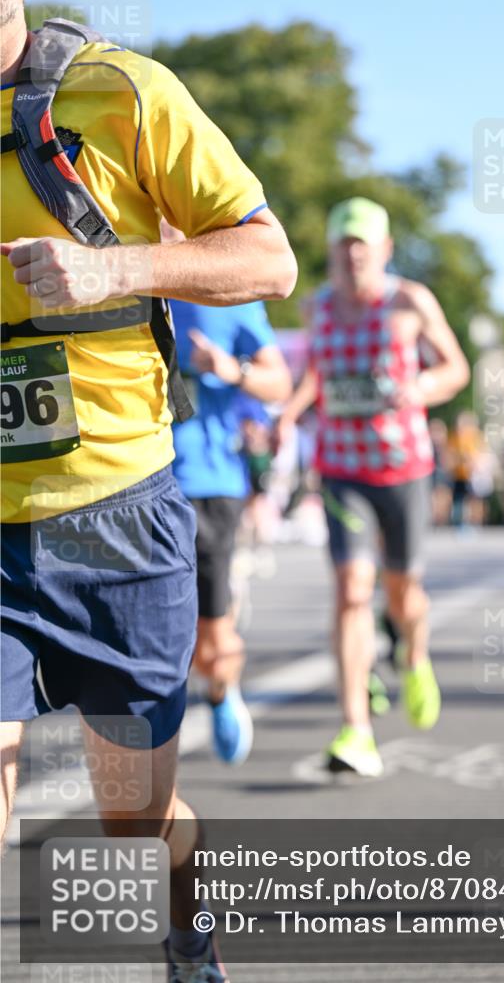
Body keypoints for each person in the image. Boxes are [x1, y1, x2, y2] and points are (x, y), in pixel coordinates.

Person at [0, 0, 297, 982]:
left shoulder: (122, 91)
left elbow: (268, 258)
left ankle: (189, 934)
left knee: (133, 818)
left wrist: (111, 269)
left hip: (117, 518)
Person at [276, 197, 470, 776]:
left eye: (364, 242)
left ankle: (413, 654)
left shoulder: (410, 301)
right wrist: (291, 411)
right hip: (342, 469)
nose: (353, 252)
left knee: (402, 594)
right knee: (350, 588)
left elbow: (456, 368)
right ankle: (355, 730)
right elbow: (317, 371)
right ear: (333, 250)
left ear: (385, 250)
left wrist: (422, 387)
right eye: (344, 242)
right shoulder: (316, 307)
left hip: (403, 469)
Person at [170, 296, 291, 766]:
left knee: (212, 638)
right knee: (150, 636)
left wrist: (230, 367)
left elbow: (279, 380)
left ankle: (220, 689)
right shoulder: (108, 272)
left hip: (207, 484)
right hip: (128, 484)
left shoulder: (222, 290)